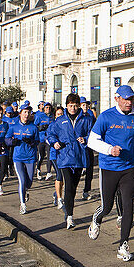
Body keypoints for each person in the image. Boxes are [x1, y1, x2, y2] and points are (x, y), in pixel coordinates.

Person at [87, 85, 134, 261]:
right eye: (126, 99)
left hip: (128, 168)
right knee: (107, 207)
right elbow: (92, 141)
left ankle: (123, 245)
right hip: (109, 168)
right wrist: (108, 149)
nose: (129, 102)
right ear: (117, 99)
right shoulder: (106, 117)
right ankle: (96, 219)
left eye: (131, 99)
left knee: (128, 207)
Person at [50, 93, 94, 229]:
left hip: (80, 157)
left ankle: (68, 208)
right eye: (70, 106)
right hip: (64, 157)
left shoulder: (86, 119)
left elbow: (93, 134)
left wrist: (86, 139)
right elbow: (51, 134)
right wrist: (55, 142)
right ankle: (70, 217)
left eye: (75, 106)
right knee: (68, 186)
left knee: (73, 188)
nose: (73, 108)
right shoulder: (60, 120)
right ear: (66, 106)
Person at [7, 105, 40, 214]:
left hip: (30, 157)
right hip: (18, 158)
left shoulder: (33, 127)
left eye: (28, 112)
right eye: (24, 112)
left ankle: (25, 191)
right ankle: (23, 204)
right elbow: (7, 139)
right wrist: (12, 142)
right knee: (21, 180)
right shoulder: (13, 127)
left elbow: (37, 141)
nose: (26, 114)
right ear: (20, 113)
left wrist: (31, 142)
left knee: (29, 182)